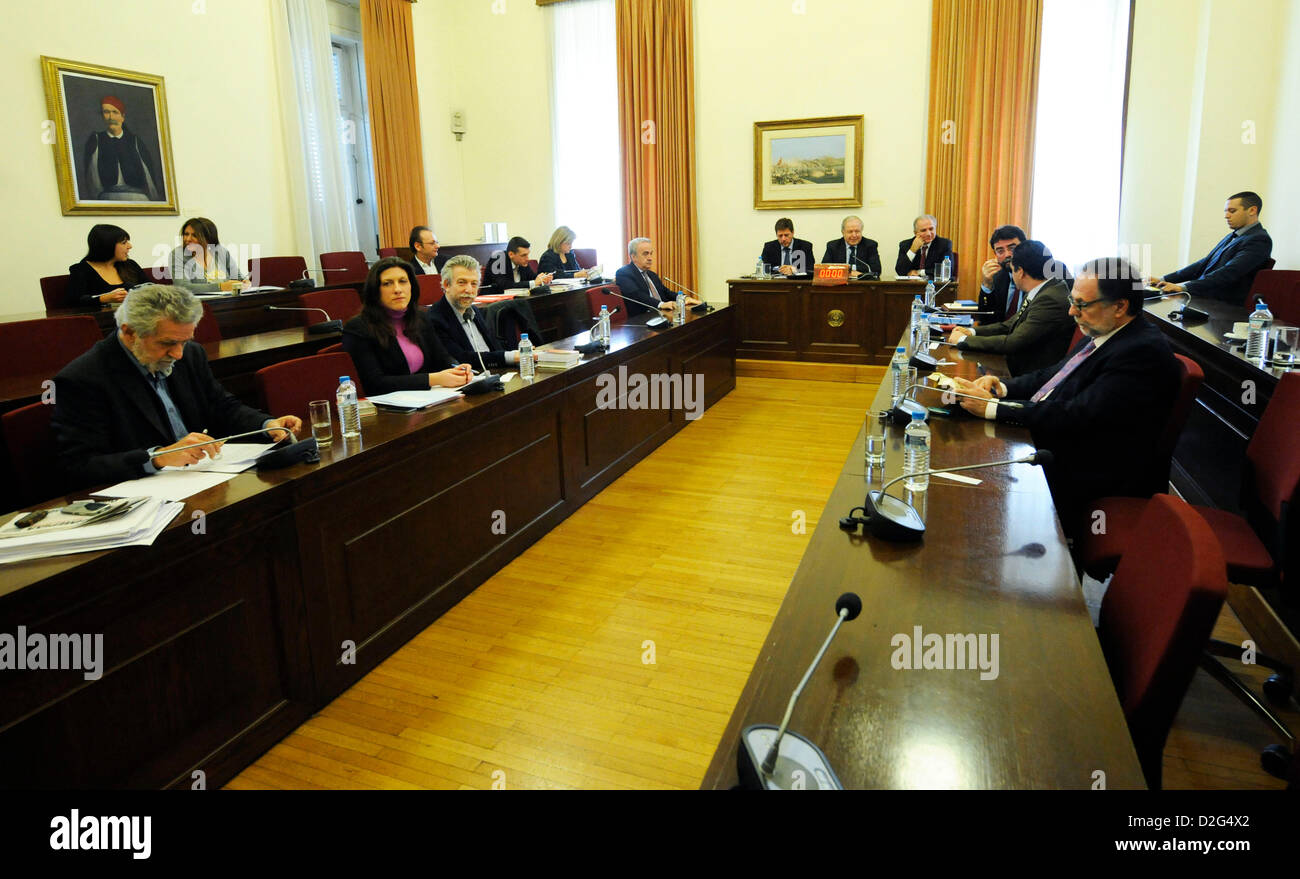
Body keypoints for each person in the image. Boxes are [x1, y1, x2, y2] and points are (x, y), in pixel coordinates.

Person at [944, 257, 1179, 531]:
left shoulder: (1141, 351)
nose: (1071, 311)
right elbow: (1052, 376)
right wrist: (1001, 387)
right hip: (1064, 444)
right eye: (1073, 300)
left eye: (1081, 304)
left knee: (977, 495)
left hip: (1093, 471)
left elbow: (1079, 414)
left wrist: (993, 408)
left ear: (1119, 306)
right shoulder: (1110, 332)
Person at [51, 284, 301, 491]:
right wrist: (156, 457)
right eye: (167, 343)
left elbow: (221, 406)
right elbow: (79, 466)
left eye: (185, 341)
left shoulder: (190, 354)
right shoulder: (83, 379)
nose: (178, 354)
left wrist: (266, 425)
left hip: (205, 479)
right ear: (129, 333)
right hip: (146, 496)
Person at [341, 257, 473, 395]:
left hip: (427, 399)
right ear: (375, 290)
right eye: (387, 283)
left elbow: (441, 358)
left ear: (411, 286)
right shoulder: (358, 328)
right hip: (388, 409)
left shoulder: (420, 318)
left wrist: (457, 368)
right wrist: (432, 379)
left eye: (403, 281)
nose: (397, 289)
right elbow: (374, 383)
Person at [946, 240, 1075, 375]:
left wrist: (963, 340)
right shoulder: (1042, 289)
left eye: (1013, 270)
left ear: (1020, 272)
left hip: (1031, 375)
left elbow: (1013, 342)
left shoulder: (1049, 299)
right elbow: (1009, 325)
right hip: (1018, 365)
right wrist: (971, 332)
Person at [1148, 191, 1273, 305]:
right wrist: (1163, 279)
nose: (1226, 216)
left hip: (1223, 306)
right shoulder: (1233, 236)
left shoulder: (1259, 240)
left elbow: (1229, 272)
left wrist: (1184, 287)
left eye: (1232, 211)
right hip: (1204, 298)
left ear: (1252, 210)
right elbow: (1203, 264)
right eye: (1225, 211)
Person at [430, 254, 528, 369]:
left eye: (474, 284)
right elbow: (462, 359)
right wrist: (512, 356)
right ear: (447, 284)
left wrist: (520, 353)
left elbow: (494, 348)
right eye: (462, 282)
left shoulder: (474, 310)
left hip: (496, 372)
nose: (469, 290)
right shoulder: (435, 318)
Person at [81, 95, 164, 202]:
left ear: (123, 116)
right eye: (106, 112)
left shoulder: (135, 141)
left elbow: (149, 179)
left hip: (138, 199)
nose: (111, 117)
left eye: (115, 112)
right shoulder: (96, 139)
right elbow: (92, 180)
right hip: (108, 199)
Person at [614, 238, 700, 315]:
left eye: (651, 253)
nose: (650, 258)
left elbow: (666, 293)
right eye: (645, 254)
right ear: (633, 257)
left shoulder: (652, 275)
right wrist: (661, 304)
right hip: (642, 319)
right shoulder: (624, 273)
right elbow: (637, 295)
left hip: (662, 315)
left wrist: (685, 298)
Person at [67, 224, 145, 307]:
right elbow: (73, 302)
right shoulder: (80, 270)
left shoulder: (130, 265)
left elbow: (151, 289)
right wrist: (103, 299)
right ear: (107, 245)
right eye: (124, 243)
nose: (130, 246)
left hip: (137, 316)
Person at [166, 217, 245, 293]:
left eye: (195, 235)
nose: (188, 239)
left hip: (229, 301)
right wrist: (220, 287)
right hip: (198, 304)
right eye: (186, 234)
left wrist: (246, 282)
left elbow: (239, 278)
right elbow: (183, 287)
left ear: (209, 238)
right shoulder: (177, 254)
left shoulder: (221, 251)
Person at [977, 225, 1026, 318]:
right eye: (1000, 251)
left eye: (1012, 248)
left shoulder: (1036, 276)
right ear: (995, 255)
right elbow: (985, 319)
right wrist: (987, 285)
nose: (1007, 255)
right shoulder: (997, 277)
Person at [483, 237, 554, 291]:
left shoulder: (522, 262)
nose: (527, 258)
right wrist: (533, 283)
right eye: (523, 255)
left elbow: (532, 277)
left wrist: (543, 279)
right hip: (490, 302)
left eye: (527, 254)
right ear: (511, 254)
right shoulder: (498, 259)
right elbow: (502, 286)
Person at [895, 214, 954, 278]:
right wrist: (912, 250)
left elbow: (947, 271)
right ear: (915, 233)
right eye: (923, 230)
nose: (928, 234)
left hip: (935, 285)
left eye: (931, 229)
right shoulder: (905, 245)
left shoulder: (944, 244)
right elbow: (900, 271)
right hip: (911, 285)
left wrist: (919, 272)